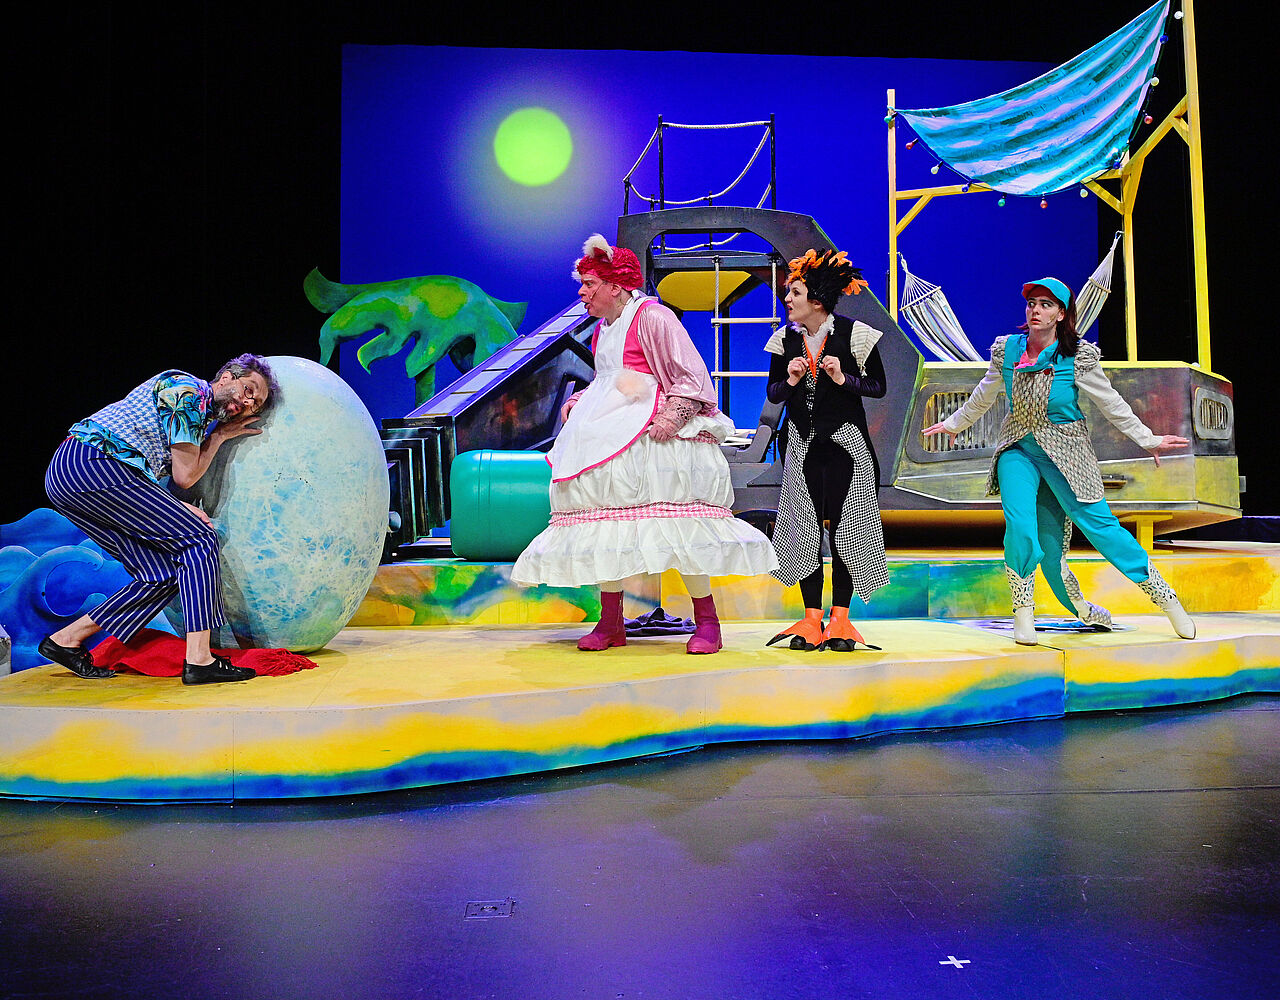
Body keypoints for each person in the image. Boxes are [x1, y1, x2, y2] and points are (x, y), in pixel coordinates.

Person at [511, 235, 778, 652]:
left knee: (680, 529)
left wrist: (672, 417)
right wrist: (581, 401)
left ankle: (708, 623)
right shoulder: (602, 331)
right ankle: (610, 622)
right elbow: (606, 379)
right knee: (606, 529)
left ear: (615, 285)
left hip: (655, 439)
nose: (582, 293)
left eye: (589, 284)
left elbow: (690, 374)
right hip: (607, 439)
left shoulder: (653, 317)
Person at [923, 278, 1194, 644]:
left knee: (1097, 532)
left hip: (1068, 454)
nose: (1035, 310)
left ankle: (1166, 600)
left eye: (1045, 304)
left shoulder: (1078, 357)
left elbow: (1112, 404)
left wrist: (1148, 439)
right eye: (1032, 303)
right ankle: (1023, 611)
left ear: (1061, 314)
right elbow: (983, 395)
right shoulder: (1008, 350)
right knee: (1020, 525)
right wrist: (954, 423)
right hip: (1019, 448)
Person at [40, 354, 280, 682]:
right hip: (93, 463)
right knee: (199, 538)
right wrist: (218, 438)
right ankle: (200, 660)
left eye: (256, 404)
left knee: (161, 574)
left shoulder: (197, 415)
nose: (249, 402)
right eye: (249, 389)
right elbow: (185, 476)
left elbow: (175, 474)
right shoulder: (188, 392)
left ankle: (65, 640)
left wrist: (217, 436)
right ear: (226, 377)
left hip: (76, 475)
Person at [764, 249, 890, 651]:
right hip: (802, 447)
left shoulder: (856, 335)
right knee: (804, 532)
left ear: (816, 300)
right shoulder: (785, 340)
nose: (787, 299)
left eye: (795, 293)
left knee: (847, 533)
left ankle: (840, 619)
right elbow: (774, 393)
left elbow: (878, 387)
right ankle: (810, 618)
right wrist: (790, 379)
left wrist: (842, 378)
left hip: (846, 449)